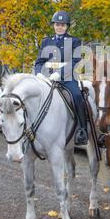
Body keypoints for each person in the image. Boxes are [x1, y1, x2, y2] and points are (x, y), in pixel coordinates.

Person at [34, 10, 88, 145]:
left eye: (63, 25)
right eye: (57, 24)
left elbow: (75, 62)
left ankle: (82, 130)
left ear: (67, 26)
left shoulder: (74, 41)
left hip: (67, 78)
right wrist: (38, 73)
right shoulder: (46, 41)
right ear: (54, 25)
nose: (60, 27)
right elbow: (39, 61)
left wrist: (60, 73)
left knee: (77, 96)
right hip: (47, 78)